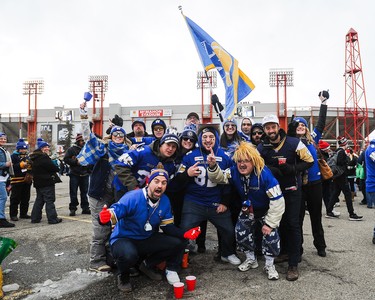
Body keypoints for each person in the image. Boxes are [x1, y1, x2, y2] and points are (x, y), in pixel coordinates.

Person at [99, 169, 201, 292]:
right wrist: (104, 218)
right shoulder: (133, 197)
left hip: (145, 237)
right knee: (128, 254)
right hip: (124, 238)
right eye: (156, 181)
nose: (160, 186)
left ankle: (147, 264)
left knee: (180, 241)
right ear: (148, 182)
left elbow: (167, 227)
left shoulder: (165, 201)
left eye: (164, 183)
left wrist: (185, 233)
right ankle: (123, 276)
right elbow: (115, 211)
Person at [207, 142, 285, 280]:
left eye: (247, 161)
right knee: (240, 232)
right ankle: (251, 259)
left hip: (266, 210)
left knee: (271, 235)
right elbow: (217, 177)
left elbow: (278, 201)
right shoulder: (234, 171)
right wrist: (213, 166)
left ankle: (269, 264)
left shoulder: (265, 174)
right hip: (248, 209)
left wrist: (270, 223)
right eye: (239, 161)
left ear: (254, 161)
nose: (242, 164)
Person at [257, 114, 314, 281]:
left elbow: (309, 161)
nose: (270, 130)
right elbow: (256, 164)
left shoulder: (293, 142)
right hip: (274, 192)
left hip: (292, 189)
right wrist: (269, 169)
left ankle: (294, 263)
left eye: (273, 127)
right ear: (265, 130)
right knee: (278, 223)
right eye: (267, 128)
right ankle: (283, 252)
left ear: (278, 126)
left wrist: (293, 168)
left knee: (293, 223)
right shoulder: (262, 146)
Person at [77, 101, 131, 272]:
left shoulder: (128, 152)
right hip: (98, 194)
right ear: (111, 136)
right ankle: (96, 261)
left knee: (115, 226)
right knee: (101, 227)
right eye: (115, 135)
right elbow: (88, 136)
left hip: (116, 195)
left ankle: (110, 257)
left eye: (121, 135)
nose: (118, 137)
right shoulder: (102, 149)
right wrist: (84, 113)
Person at [176, 124, 241, 265]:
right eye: (204, 137)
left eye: (211, 137)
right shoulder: (190, 156)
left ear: (216, 139)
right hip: (194, 202)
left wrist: (224, 202)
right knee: (184, 230)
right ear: (200, 139)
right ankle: (179, 256)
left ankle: (227, 253)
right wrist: (187, 174)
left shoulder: (224, 156)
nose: (208, 140)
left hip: (215, 201)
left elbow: (228, 182)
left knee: (229, 230)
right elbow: (178, 179)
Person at [288, 91, 329, 258]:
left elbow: (320, 124)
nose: (300, 127)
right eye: (297, 125)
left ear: (306, 128)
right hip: (297, 185)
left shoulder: (312, 138)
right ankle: (298, 248)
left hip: (314, 183)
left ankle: (320, 246)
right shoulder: (289, 142)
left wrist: (324, 103)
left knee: (316, 217)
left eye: (303, 125)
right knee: (297, 219)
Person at [113, 133, 179, 201]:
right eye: (168, 145)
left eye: (174, 146)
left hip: (144, 195)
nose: (170, 149)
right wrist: (134, 187)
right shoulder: (144, 152)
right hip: (124, 188)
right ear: (161, 144)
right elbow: (119, 164)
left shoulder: (171, 165)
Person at [325, 136, 363, 221]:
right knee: (348, 194)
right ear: (345, 144)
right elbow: (340, 162)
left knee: (335, 193)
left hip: (337, 175)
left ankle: (329, 211)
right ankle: (351, 214)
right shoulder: (342, 152)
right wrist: (348, 160)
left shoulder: (337, 151)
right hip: (341, 175)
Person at [29, 138, 62, 224]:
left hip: (38, 182)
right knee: (49, 200)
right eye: (45, 147)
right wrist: (54, 163)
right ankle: (52, 219)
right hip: (47, 182)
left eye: (48, 147)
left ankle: (35, 218)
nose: (47, 148)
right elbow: (54, 168)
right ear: (41, 148)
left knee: (39, 200)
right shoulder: (43, 157)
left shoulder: (34, 157)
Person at [64, 133, 91, 216]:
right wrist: (76, 162)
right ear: (78, 141)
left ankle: (85, 208)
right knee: (73, 192)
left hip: (85, 174)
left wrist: (89, 168)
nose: (83, 142)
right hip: (74, 174)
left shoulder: (87, 149)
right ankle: (73, 208)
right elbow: (66, 159)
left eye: (84, 140)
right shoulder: (71, 149)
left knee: (84, 192)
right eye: (82, 140)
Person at [9, 138, 32, 221]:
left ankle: (23, 213)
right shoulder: (13, 156)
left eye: (25, 149)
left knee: (26, 198)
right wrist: (21, 165)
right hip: (16, 180)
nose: (23, 150)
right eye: (22, 149)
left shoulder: (27, 156)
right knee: (15, 198)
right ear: (18, 149)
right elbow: (12, 168)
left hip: (26, 180)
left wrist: (30, 167)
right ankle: (13, 215)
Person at [0, 132, 15, 228]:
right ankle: (1, 219)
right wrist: (6, 164)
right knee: (3, 197)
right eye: (1, 139)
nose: (3, 140)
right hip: (0, 178)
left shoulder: (3, 149)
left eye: (4, 139)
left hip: (4, 177)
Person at [365, 139, 375, 209]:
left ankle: (370, 203)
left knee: (370, 186)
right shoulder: (372, 148)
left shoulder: (369, 148)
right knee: (371, 186)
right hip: (372, 172)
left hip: (370, 172)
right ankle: (370, 203)